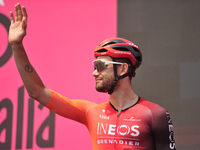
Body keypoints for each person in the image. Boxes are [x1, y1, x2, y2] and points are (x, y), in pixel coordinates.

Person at [9, 3, 176, 150]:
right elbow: (37, 91)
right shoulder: (91, 112)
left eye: (101, 66)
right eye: (94, 66)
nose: (94, 72)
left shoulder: (156, 114)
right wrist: (17, 46)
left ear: (123, 68)